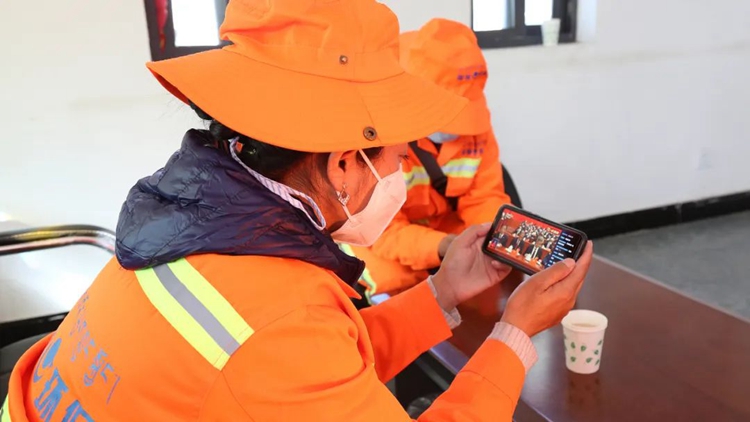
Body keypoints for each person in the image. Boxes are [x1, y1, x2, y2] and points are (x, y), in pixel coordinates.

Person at [2, 1, 593, 421]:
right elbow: (287, 347)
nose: (399, 170)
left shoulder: (191, 223)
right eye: (395, 156)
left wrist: (441, 294)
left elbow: (320, 356)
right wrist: (515, 332)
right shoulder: (278, 312)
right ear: (344, 165)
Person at [344, 19, 516, 296]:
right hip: (383, 238)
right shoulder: (373, 137)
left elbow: (485, 198)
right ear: (412, 100)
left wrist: (496, 239)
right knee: (395, 284)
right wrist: (444, 246)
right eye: (448, 113)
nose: (458, 128)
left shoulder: (477, 127)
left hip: (448, 231)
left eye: (463, 112)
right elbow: (383, 231)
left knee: (489, 273)